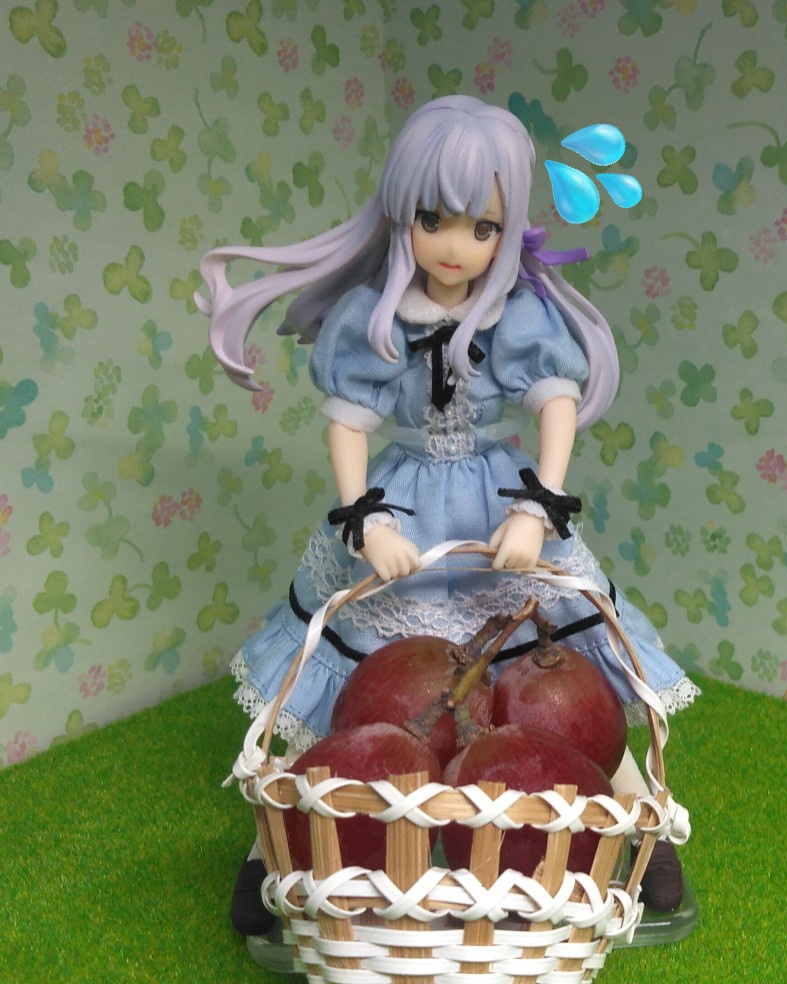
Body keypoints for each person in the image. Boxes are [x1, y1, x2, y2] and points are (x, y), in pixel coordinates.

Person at [197, 97, 698, 929]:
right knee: (340, 697)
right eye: (433, 220)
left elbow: (557, 403)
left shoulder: (519, 315)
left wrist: (537, 507)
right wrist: (366, 519)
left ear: (508, 230)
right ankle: (272, 848)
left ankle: (642, 828)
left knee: (567, 685)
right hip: (403, 504)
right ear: (402, 215)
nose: (455, 246)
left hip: (498, 505)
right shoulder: (376, 316)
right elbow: (348, 423)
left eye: (483, 227)